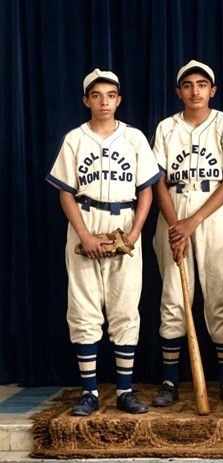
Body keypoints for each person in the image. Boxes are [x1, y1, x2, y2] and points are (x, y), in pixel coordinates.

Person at [46, 69, 160, 416]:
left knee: (125, 308)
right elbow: (66, 193)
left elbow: (146, 190)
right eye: (96, 95)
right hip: (86, 218)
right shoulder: (75, 139)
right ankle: (90, 392)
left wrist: (135, 232)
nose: (104, 102)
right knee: (84, 309)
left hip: (123, 221)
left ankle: (125, 390)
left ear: (119, 100)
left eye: (110, 95)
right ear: (87, 101)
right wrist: (83, 234)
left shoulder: (134, 138)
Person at [151, 60, 223, 407]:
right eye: (188, 85)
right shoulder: (166, 127)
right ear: (179, 92)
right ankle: (169, 379)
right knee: (173, 295)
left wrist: (191, 222)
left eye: (202, 84)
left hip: (214, 212)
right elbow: (158, 181)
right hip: (173, 210)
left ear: (213, 90)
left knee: (218, 293)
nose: (195, 91)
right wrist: (175, 226)